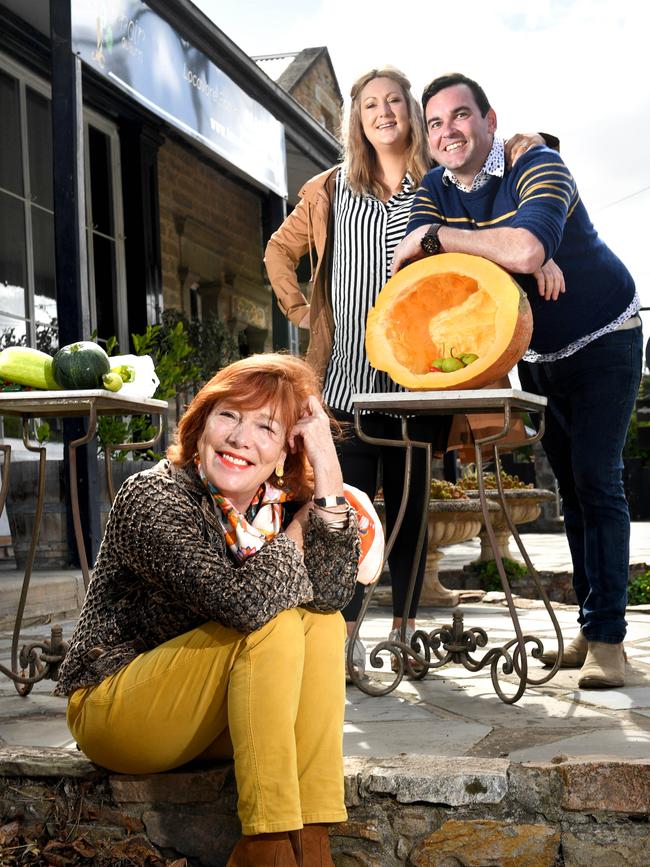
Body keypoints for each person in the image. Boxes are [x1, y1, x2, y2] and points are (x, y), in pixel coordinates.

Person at [264, 65, 546, 677]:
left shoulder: (439, 183)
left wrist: (539, 260)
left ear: (411, 113)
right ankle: (345, 638)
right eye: (371, 105)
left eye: (394, 101)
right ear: (357, 120)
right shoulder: (331, 188)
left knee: (412, 507)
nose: (384, 112)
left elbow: (502, 221)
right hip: (346, 378)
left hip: (420, 377)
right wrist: (302, 312)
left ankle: (407, 631)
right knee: (349, 512)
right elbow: (277, 250)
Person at [54, 353, 360, 867]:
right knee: (278, 622)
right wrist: (302, 529)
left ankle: (312, 841)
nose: (241, 437)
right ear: (200, 426)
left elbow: (330, 597)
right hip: (119, 710)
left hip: (212, 715)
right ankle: (266, 848)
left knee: (322, 625)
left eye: (266, 426)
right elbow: (243, 604)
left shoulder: (274, 507)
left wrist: (327, 476)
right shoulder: (154, 496)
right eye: (229, 415)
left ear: (289, 448)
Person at [393, 72, 643, 689]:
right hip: (536, 350)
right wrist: (495, 245)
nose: (448, 131)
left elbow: (526, 250)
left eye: (460, 116)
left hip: (605, 334)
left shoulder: (538, 163)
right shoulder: (432, 186)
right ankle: (592, 621)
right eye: (435, 123)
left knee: (597, 476)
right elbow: (407, 258)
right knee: (573, 485)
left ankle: (611, 642)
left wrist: (446, 239)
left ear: (489, 119)